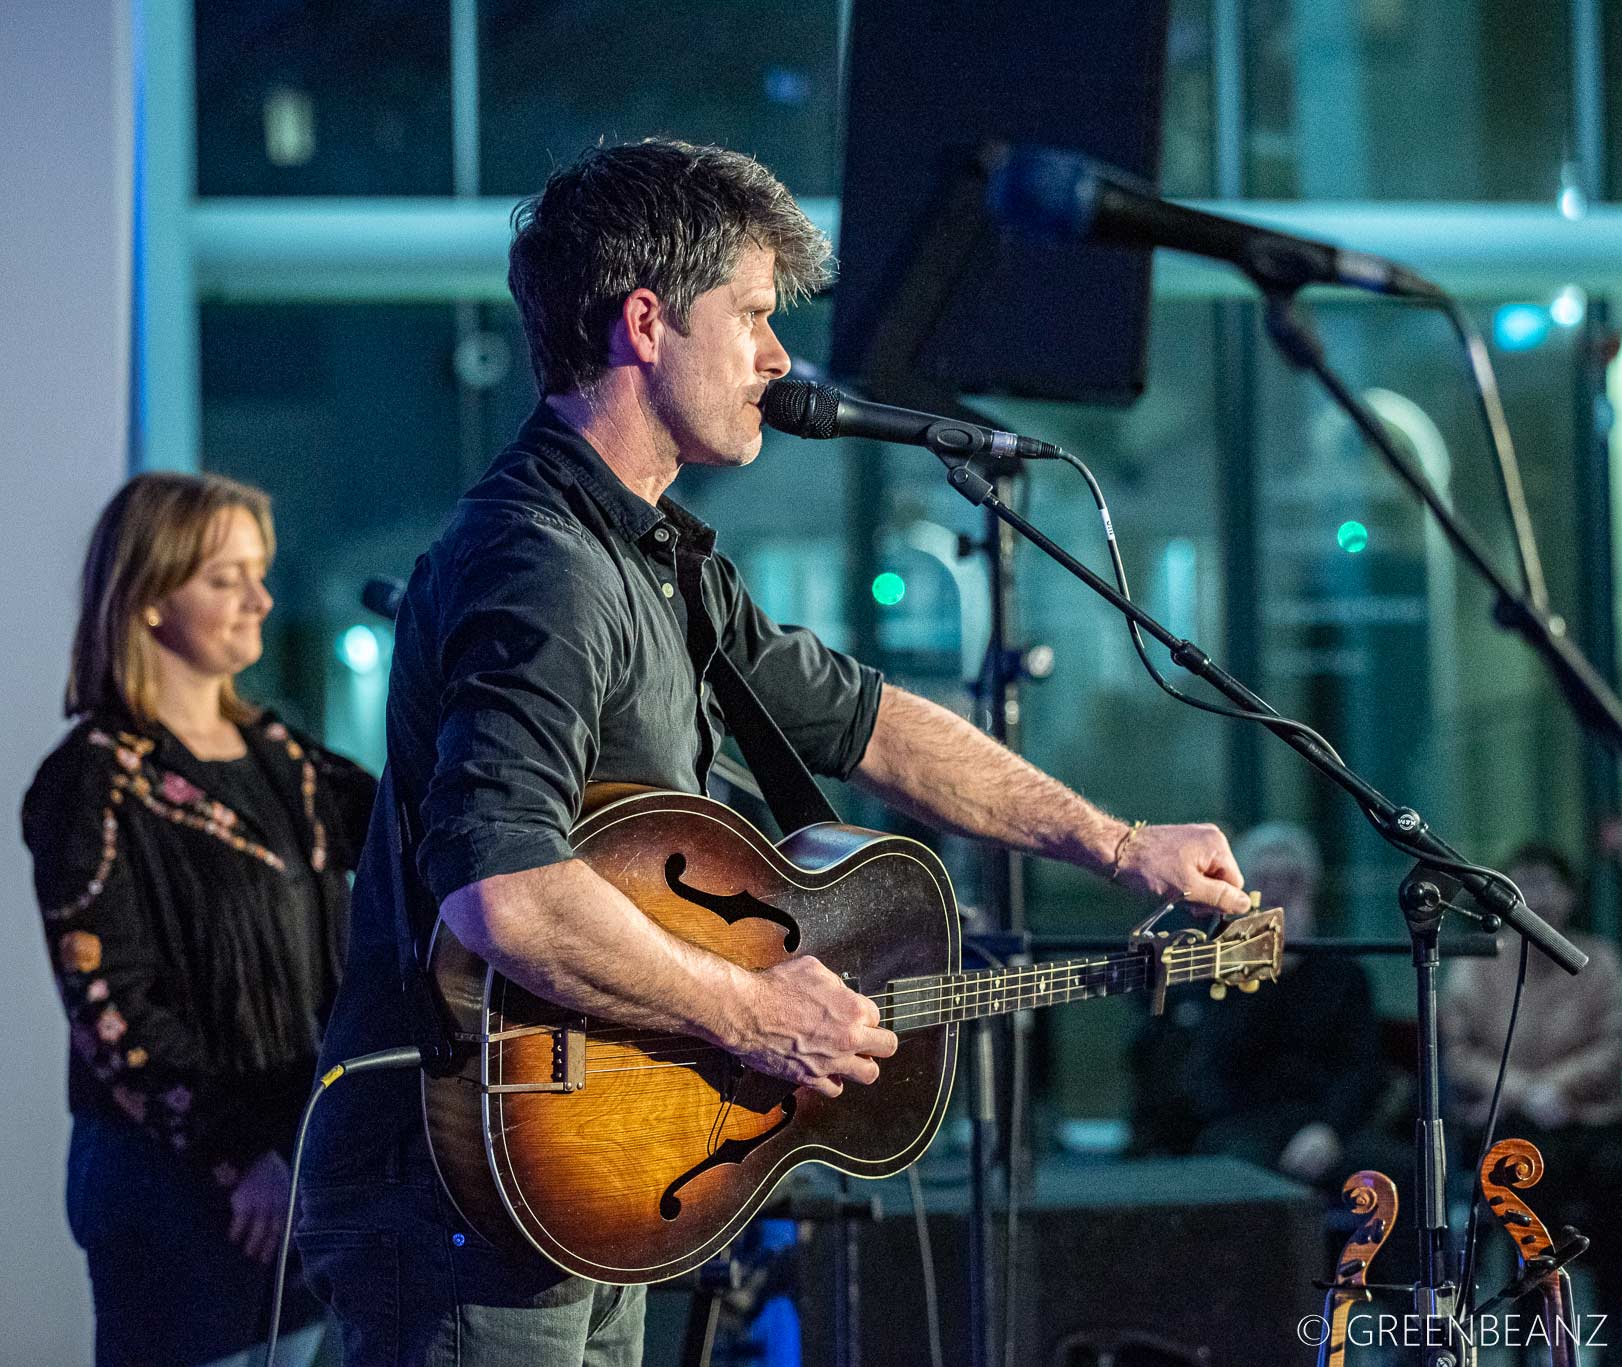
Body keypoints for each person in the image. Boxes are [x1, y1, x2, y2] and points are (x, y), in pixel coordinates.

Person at [295, 139, 1252, 1367]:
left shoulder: (655, 554)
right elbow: (506, 891)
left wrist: (1117, 842)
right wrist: (750, 1009)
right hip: (459, 1192)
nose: (777, 356)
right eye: (749, 315)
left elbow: (871, 724)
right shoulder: (539, 567)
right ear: (645, 321)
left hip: (583, 1169)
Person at [22, 473, 375, 1367]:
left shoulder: (283, 757)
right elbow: (113, 1014)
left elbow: (421, 831)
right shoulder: (94, 782)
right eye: (225, 578)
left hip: (294, 1186)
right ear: (146, 597)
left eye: (259, 572)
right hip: (179, 1196)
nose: (259, 598)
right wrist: (240, 1157)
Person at [1128, 822, 1395, 1187]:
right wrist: (1259, 963)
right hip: (1240, 1124)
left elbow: (1361, 1068)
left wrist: (1328, 1130)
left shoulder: (1344, 975)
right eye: (1266, 882)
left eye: (1291, 882)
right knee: (1239, 1170)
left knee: (1396, 1172)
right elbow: (1205, 1068)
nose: (1277, 895)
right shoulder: (1210, 971)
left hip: (1323, 1124)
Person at [1443, 843, 1622, 1324]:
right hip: (1507, 1119)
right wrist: (1523, 1090)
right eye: (1523, 883)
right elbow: (1456, 1052)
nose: (1537, 895)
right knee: (1527, 1179)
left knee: (1620, 1182)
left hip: (1587, 1119)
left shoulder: (1599, 959)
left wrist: (1555, 1086)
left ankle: (1615, 1332)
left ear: (1571, 894)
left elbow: (1612, 1046)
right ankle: (1532, 1333)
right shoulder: (1475, 962)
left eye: (1548, 883)